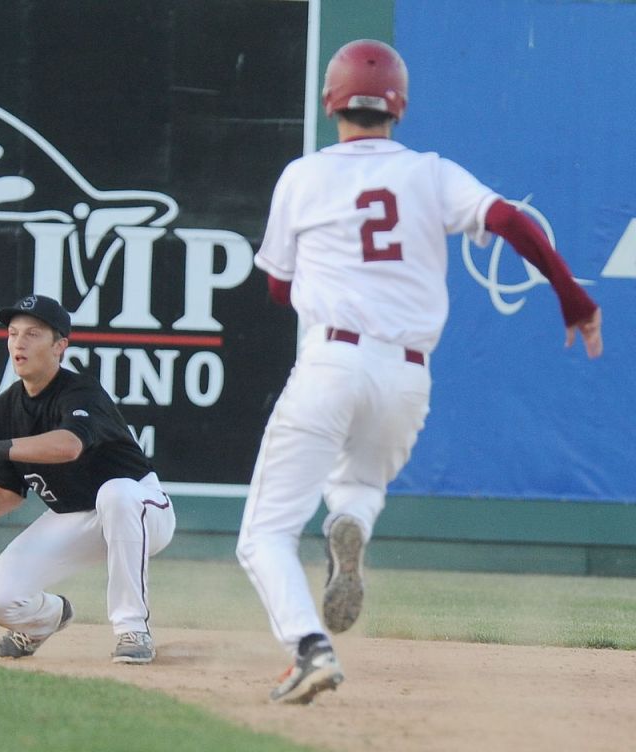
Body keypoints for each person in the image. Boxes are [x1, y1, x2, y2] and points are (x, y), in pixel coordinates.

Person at [236, 39, 604, 705]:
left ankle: (310, 648)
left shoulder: (304, 175)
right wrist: (572, 297)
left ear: (332, 102)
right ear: (398, 106)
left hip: (331, 357)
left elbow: (278, 290)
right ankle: (351, 524)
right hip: (407, 373)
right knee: (362, 481)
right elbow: (510, 222)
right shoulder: (431, 173)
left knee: (264, 534)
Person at [0, 294, 175, 664]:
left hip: (142, 508)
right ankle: (46, 619)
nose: (19, 343)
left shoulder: (81, 392)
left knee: (116, 493)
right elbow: (8, 492)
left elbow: (67, 447)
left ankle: (133, 629)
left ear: (60, 345)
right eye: (13, 334)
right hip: (73, 517)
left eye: (33, 334)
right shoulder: (6, 406)